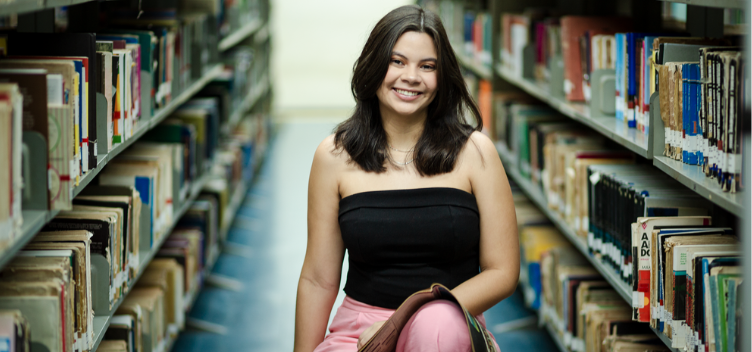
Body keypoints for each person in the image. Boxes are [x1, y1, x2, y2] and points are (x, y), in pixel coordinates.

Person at [294, 5, 519, 352]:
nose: (411, 76)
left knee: (437, 324)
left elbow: (502, 270)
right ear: (373, 66)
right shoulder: (334, 156)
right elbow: (318, 279)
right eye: (397, 61)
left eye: (427, 66)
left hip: (448, 328)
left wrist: (402, 320)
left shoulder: (476, 153)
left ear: (442, 76)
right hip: (359, 333)